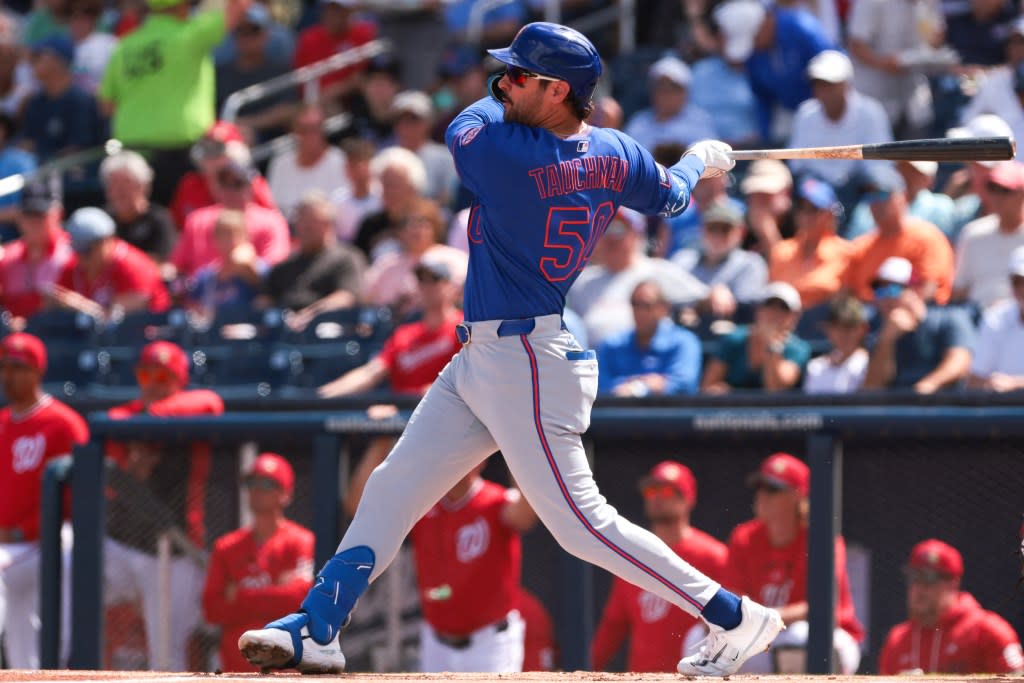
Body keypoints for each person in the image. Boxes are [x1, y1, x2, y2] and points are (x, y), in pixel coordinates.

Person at [238, 21, 783, 676]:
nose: (504, 81)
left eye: (522, 75)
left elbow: (464, 119)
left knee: (583, 525)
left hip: (525, 358)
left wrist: (682, 159)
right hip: (489, 358)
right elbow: (670, 194)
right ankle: (318, 623)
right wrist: (701, 158)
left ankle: (732, 614)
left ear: (558, 90)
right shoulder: (615, 151)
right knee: (393, 487)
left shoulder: (505, 150)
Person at [104, 341, 224, 672]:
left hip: (176, 550)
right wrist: (134, 462)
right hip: (122, 546)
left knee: (166, 656)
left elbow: (210, 402)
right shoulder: (122, 416)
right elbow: (111, 426)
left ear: (179, 380)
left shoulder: (190, 407)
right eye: (146, 375)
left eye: (162, 376)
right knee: (70, 573)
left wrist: (148, 422)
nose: (153, 383)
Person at [99, 0, 252, 205]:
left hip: (133, 153)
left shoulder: (124, 45)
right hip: (182, 153)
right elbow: (239, 7)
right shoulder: (191, 35)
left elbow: (106, 105)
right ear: (182, 6)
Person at [724, 452, 864, 674]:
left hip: (827, 636)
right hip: (762, 636)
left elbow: (820, 607)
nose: (762, 495)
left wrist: (766, 618)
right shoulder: (744, 537)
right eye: (760, 487)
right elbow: (732, 595)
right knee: (699, 637)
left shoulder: (822, 538)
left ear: (799, 496)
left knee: (799, 636)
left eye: (773, 489)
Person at [0, 332, 89, 669]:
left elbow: (79, 496)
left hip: (49, 538)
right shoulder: (3, 422)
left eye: (17, 367)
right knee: (21, 632)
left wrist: (23, 532)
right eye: (4, 366)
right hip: (10, 545)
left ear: (37, 372)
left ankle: (65, 667)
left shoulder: (63, 423)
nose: (8, 375)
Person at [591, 461, 728, 672]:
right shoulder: (633, 556)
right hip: (642, 676)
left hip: (695, 676)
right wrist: (583, 667)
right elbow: (613, 627)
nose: (656, 497)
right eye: (651, 490)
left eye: (666, 490)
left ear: (687, 497)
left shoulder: (714, 556)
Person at [203, 453, 314, 673]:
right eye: (251, 483)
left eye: (266, 483)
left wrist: (241, 596)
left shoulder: (301, 541)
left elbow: (300, 601)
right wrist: (276, 593)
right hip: (236, 670)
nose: (256, 490)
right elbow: (212, 609)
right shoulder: (226, 546)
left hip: (287, 670)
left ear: (285, 493)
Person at [878, 539, 1024, 674]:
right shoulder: (897, 640)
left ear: (953, 583)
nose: (919, 587)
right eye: (914, 577)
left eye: (929, 578)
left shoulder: (988, 630)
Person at [567, 207, 708, 347]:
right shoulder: (583, 280)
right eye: (604, 227)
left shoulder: (658, 270)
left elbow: (705, 296)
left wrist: (719, 293)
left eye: (618, 228)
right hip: (591, 363)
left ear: (637, 234)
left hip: (646, 360)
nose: (611, 236)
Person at [787, 50, 893, 200]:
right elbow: (798, 165)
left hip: (860, 186)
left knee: (882, 183)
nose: (824, 90)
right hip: (817, 188)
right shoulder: (805, 114)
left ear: (846, 84)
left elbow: (879, 166)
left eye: (830, 84)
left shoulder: (871, 112)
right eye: (819, 84)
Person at [842, 163, 954, 305]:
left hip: (921, 316)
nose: (876, 203)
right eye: (870, 196)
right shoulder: (861, 247)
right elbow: (850, 296)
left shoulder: (926, 237)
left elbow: (930, 290)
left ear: (903, 197)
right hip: (871, 321)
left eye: (883, 194)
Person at [862, 257, 974, 393]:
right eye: (879, 290)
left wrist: (930, 384)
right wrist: (886, 341)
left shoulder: (949, 317)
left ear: (916, 290)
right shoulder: (878, 331)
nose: (886, 297)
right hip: (897, 410)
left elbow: (961, 362)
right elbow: (873, 387)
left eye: (893, 289)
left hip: (944, 408)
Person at [171, 155, 290, 279]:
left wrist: (251, 265)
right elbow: (175, 266)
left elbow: (276, 270)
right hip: (202, 293)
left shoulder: (271, 221)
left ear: (251, 187)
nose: (230, 191)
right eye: (224, 184)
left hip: (251, 292)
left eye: (238, 184)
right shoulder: (197, 220)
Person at [262, 190, 366, 329]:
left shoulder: (346, 258)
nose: (306, 227)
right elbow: (265, 300)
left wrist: (310, 314)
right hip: (283, 331)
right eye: (301, 220)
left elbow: (346, 297)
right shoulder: (284, 266)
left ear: (328, 224)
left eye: (313, 221)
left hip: (327, 331)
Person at [54, 207, 171, 318]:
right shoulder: (74, 266)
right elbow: (55, 299)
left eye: (87, 251)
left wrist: (81, 306)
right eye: (77, 250)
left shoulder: (134, 267)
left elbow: (121, 319)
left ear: (107, 241)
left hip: (147, 334)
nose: (81, 257)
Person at [700, 282, 810, 393]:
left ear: (795, 316)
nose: (775, 313)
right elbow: (707, 387)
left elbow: (776, 391)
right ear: (758, 310)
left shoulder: (799, 348)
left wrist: (772, 346)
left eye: (783, 308)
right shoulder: (734, 339)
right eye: (769, 306)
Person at [596, 280, 702, 397]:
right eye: (635, 304)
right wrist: (645, 383)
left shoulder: (684, 342)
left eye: (647, 305)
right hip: (618, 413)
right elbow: (601, 385)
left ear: (664, 308)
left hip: (668, 413)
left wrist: (638, 387)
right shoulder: (612, 344)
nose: (640, 312)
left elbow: (684, 384)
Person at [214, 4, 297, 145]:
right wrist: (234, 130)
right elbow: (211, 113)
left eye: (254, 30)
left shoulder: (279, 70)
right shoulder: (220, 73)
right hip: (226, 141)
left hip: (271, 143)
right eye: (241, 31)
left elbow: (286, 111)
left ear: (266, 34)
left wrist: (246, 125)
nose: (247, 37)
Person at [672, 201, 768, 319]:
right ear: (702, 230)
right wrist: (707, 296)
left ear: (741, 233)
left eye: (725, 229)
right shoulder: (683, 260)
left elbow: (746, 311)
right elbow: (667, 299)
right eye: (712, 228)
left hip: (729, 334)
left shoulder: (751, 263)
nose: (717, 235)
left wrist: (698, 305)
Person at [768, 177, 853, 309]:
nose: (805, 215)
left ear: (829, 214)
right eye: (801, 207)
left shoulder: (846, 253)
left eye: (813, 209)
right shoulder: (781, 251)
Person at [953, 160, 1024, 311]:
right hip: (976, 315)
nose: (997, 196)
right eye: (992, 188)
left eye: (1005, 190)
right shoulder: (972, 233)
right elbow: (959, 288)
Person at [0, 178, 73, 321]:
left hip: (62, 337)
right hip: (13, 339)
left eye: (40, 215)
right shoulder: (6, 257)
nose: (34, 222)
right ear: (19, 217)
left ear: (57, 214)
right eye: (28, 215)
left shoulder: (75, 253)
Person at [266, 105, 347, 221]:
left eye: (315, 129)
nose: (310, 136)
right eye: (304, 130)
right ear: (294, 132)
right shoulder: (280, 164)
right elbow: (273, 209)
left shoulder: (339, 160)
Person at [623, 56, 716, 154]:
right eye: (660, 87)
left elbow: (712, 161)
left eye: (673, 88)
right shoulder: (638, 122)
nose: (666, 94)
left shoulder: (700, 121)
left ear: (685, 92)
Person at [100, 150, 177, 265]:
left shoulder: (159, 219)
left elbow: (161, 261)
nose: (119, 191)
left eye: (126, 183)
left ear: (143, 185)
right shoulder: (101, 220)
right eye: (113, 184)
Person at [966, 245, 1024, 392]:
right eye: (1017, 282)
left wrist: (1016, 384)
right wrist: (992, 384)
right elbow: (974, 381)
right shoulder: (996, 318)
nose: (1022, 289)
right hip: (1004, 410)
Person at [390, 91, 458, 206]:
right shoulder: (386, 157)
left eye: (414, 120)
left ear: (428, 122)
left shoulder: (446, 158)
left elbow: (449, 198)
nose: (406, 126)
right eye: (401, 119)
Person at [802, 294, 869, 394]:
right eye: (837, 327)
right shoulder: (815, 367)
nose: (843, 334)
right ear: (828, 329)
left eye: (849, 326)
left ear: (863, 328)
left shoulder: (869, 366)